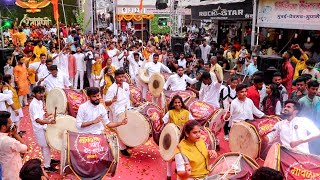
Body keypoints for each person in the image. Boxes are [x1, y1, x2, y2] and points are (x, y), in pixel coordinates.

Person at [105, 69, 140, 156]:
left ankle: (127, 143)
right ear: (115, 77)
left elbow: (129, 95)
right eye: (119, 77)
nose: (121, 78)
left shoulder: (126, 85)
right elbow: (106, 103)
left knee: (129, 127)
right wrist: (112, 100)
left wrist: (135, 102)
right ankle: (122, 148)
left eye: (122, 76)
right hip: (118, 111)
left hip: (127, 108)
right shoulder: (112, 89)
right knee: (119, 130)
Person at [29, 86, 60, 172]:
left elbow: (42, 115)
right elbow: (38, 120)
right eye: (39, 93)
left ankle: (48, 160)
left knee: (46, 146)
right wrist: (49, 122)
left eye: (42, 92)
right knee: (45, 146)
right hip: (39, 128)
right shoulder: (34, 104)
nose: (42, 95)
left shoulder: (39, 102)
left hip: (43, 126)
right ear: (34, 94)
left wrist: (48, 116)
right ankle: (47, 166)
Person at [0, 111, 28, 180]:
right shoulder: (10, 141)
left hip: (3, 170)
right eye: (10, 123)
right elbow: (25, 148)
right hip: (13, 172)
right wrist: (16, 135)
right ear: (3, 126)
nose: (12, 124)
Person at [220, 76, 238, 140]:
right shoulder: (226, 89)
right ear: (230, 82)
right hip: (227, 106)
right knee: (227, 120)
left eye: (236, 83)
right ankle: (226, 134)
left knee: (233, 120)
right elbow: (225, 100)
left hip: (234, 107)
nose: (235, 84)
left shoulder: (237, 89)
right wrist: (226, 110)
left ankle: (231, 132)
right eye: (233, 83)